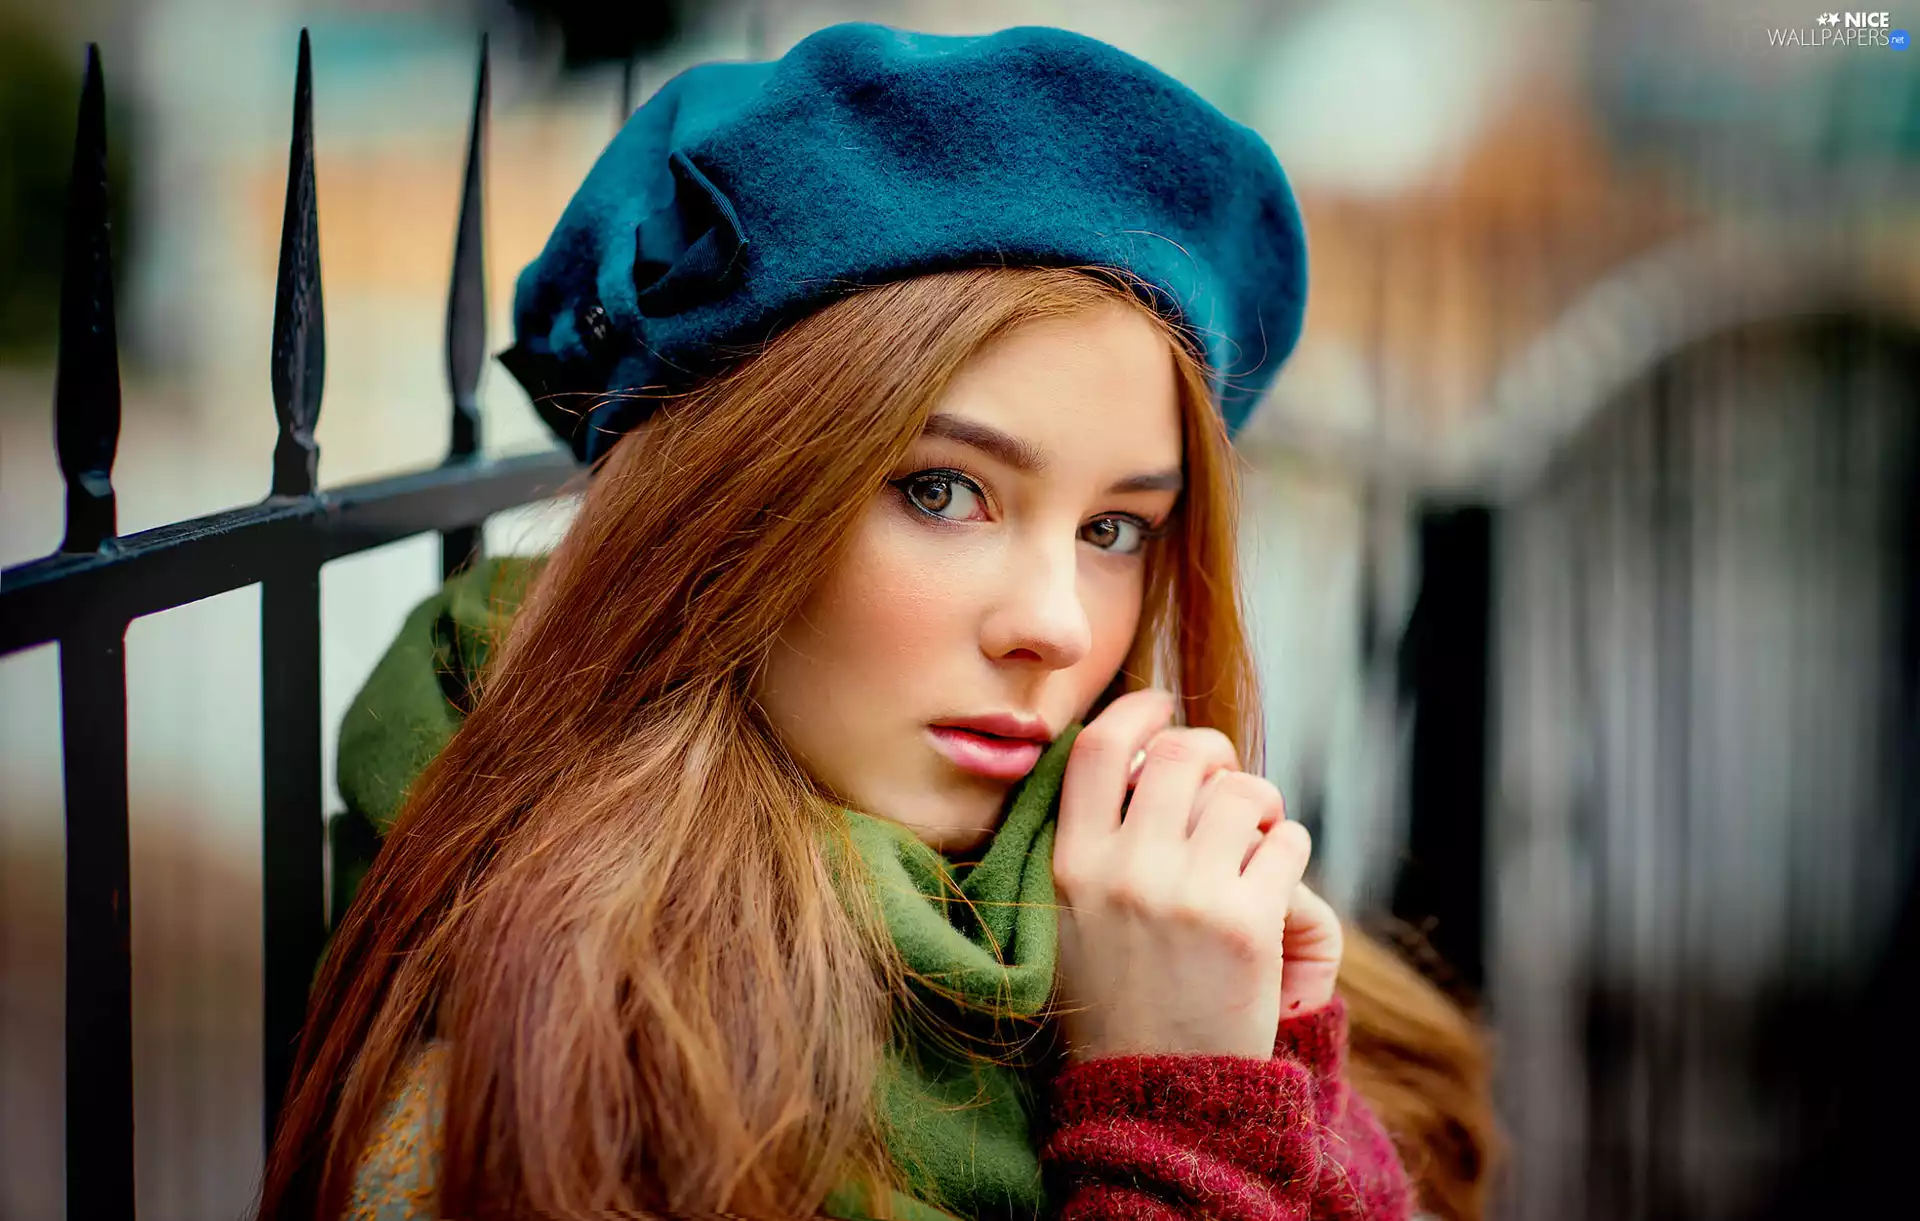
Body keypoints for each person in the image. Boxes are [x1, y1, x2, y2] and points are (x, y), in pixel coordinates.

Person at [257, 23, 1498, 1221]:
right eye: (942, 491)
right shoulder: (546, 1059)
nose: (1057, 628)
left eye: (1115, 529)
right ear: (719, 511)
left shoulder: (1152, 898)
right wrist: (1184, 1118)